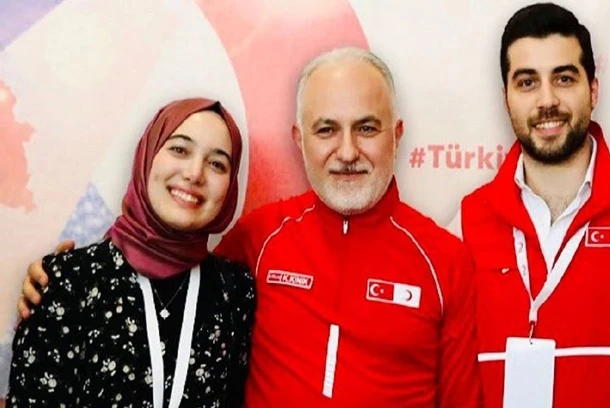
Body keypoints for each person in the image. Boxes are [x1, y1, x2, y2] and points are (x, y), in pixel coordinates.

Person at [15, 48, 482, 407]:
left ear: (396, 135)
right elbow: (164, 268)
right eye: (326, 130)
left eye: (366, 128)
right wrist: (69, 278)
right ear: (299, 140)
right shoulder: (261, 236)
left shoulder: (445, 260)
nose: (346, 152)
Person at [448, 3, 610, 407]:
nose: (547, 100)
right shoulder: (465, 224)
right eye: (527, 82)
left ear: (594, 90)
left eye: (564, 78)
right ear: (506, 99)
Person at [7, 98, 254, 408]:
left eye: (217, 164)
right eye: (180, 149)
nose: (195, 174)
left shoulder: (235, 291)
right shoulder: (68, 280)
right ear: (147, 156)